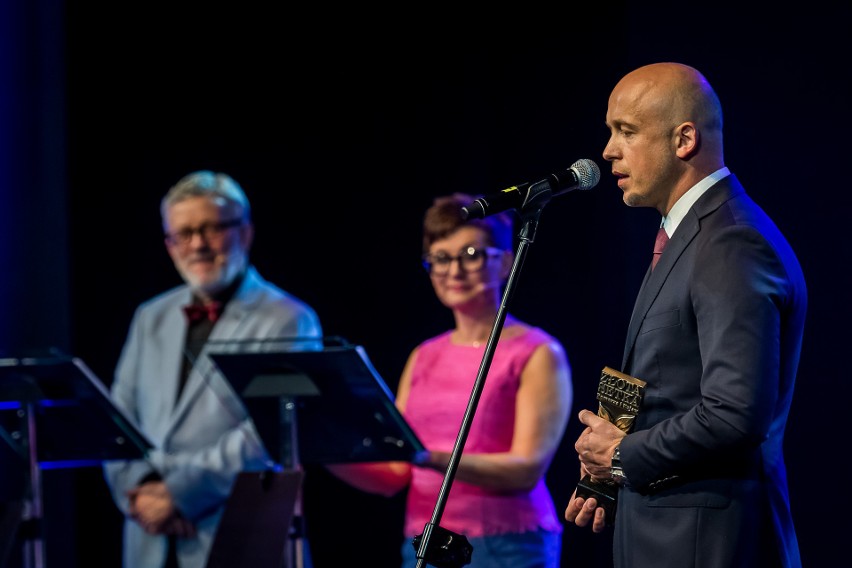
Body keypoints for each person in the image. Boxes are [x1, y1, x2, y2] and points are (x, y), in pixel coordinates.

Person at [564, 62, 806, 568]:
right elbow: (672, 387)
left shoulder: (731, 242)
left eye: (625, 131)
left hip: (708, 542)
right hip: (665, 530)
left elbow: (736, 414)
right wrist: (608, 475)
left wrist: (623, 457)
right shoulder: (688, 237)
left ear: (684, 139)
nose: (608, 150)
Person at [327, 193, 573, 568]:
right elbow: (395, 472)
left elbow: (526, 470)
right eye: (441, 258)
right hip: (423, 544)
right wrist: (321, 449)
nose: (454, 271)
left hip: (506, 546)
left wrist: (430, 458)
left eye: (471, 255)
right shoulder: (423, 355)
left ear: (505, 262)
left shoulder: (539, 352)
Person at [102, 170, 323, 568]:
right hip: (148, 537)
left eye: (212, 228)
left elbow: (270, 431)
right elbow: (116, 418)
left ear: (246, 232)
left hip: (236, 533)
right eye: (182, 234)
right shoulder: (150, 316)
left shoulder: (289, 318)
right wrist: (139, 491)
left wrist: (180, 494)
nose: (198, 245)